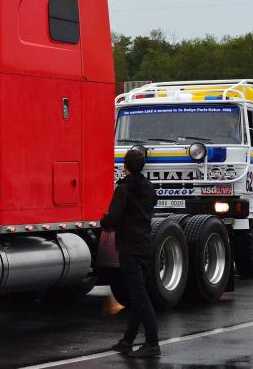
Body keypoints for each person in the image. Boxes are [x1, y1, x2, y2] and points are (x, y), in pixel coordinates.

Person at [101, 148, 160, 358]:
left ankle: (152, 342)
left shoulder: (123, 189)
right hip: (146, 245)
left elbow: (113, 218)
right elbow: (152, 204)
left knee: (140, 296)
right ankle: (128, 340)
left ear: (124, 166)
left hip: (130, 248)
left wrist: (104, 220)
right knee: (138, 294)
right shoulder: (149, 187)